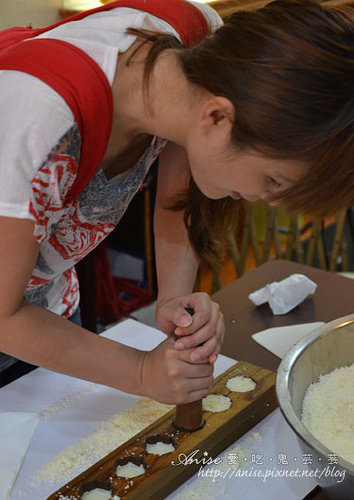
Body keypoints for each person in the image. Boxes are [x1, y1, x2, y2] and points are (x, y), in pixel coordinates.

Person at [0, 0, 353, 404]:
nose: (267, 201)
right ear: (218, 118)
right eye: (273, 180)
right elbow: (3, 316)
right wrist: (138, 371)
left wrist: (173, 298)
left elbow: (178, 197)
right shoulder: (39, 119)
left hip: (46, 312)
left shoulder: (198, 46)